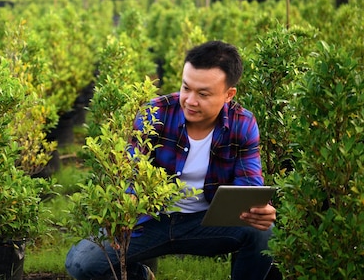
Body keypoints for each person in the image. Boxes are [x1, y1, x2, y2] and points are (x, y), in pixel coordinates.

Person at [65, 40, 277, 280]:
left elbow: (248, 183)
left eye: (203, 93)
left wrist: (257, 210)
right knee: (81, 263)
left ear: (229, 95)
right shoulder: (156, 112)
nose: (190, 100)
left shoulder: (242, 123)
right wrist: (127, 201)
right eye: (186, 88)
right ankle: (140, 275)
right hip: (150, 222)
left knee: (264, 232)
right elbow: (131, 172)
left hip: (205, 223)